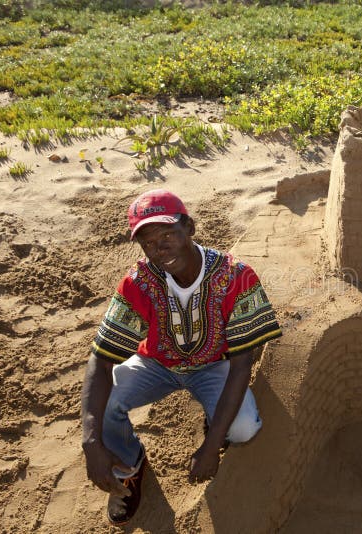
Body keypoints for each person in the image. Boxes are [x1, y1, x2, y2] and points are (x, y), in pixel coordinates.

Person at [80, 189, 282, 525]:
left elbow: (242, 364)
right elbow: (100, 361)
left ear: (188, 227)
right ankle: (130, 465)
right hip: (157, 364)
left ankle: (215, 421)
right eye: (148, 243)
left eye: (167, 235)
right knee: (102, 407)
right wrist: (90, 442)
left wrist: (212, 446)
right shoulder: (139, 282)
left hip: (216, 366)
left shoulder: (237, 277)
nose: (159, 250)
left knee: (243, 429)